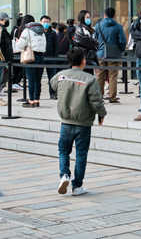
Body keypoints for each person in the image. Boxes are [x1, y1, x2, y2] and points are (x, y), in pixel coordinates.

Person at [55, 47, 107, 196]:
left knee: (63, 150)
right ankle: (77, 186)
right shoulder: (89, 79)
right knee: (81, 154)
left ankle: (64, 175)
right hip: (83, 124)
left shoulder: (61, 75)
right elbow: (96, 101)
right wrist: (101, 114)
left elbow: (53, 86)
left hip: (65, 121)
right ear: (83, 61)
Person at [95, 7, 126, 104]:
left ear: (104, 15)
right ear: (114, 16)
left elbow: (95, 39)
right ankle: (112, 97)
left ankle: (99, 97)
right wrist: (119, 49)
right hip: (113, 54)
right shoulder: (118, 26)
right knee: (113, 76)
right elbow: (122, 41)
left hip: (100, 53)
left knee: (100, 75)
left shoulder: (98, 25)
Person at [15, 15, 46, 107]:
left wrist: (17, 42)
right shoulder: (42, 32)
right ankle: (37, 99)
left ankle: (31, 100)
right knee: (38, 79)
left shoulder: (27, 31)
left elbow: (20, 45)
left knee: (31, 79)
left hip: (31, 56)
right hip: (41, 56)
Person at [40, 16, 59, 99]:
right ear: (40, 22)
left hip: (51, 57)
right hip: (40, 56)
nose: (46, 23)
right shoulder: (38, 32)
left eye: (47, 22)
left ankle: (52, 93)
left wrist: (55, 57)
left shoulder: (53, 33)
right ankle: (37, 93)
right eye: (44, 21)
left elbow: (56, 46)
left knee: (51, 77)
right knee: (38, 76)